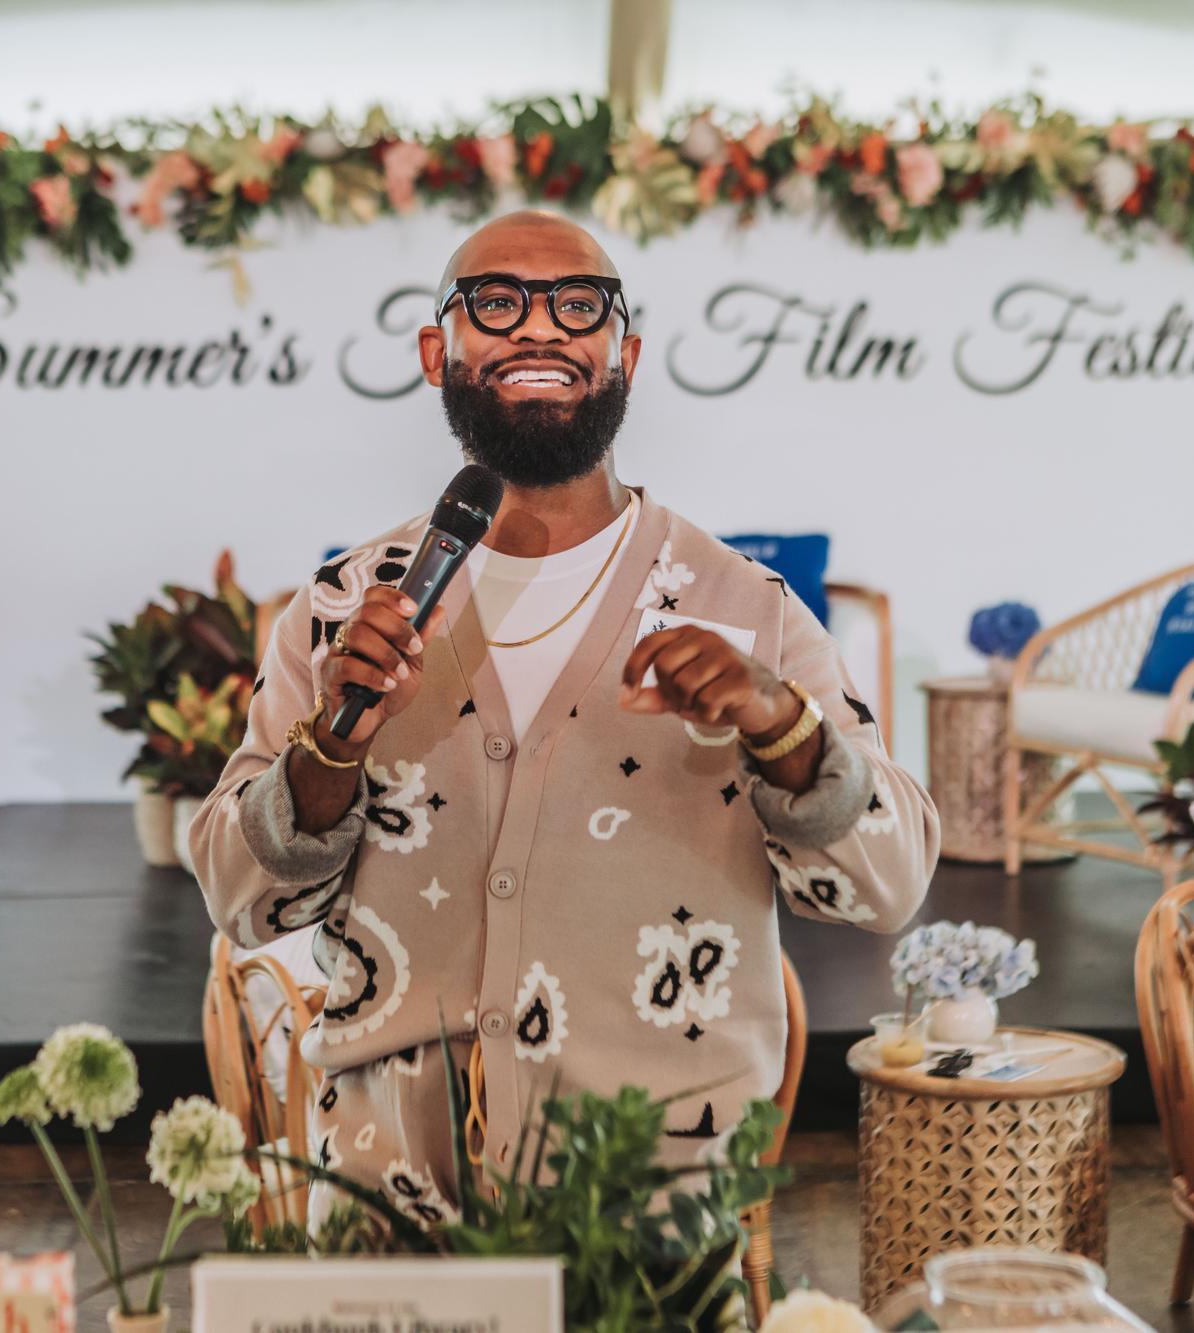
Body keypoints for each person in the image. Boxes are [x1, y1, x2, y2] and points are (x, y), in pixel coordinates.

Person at [190, 209, 938, 1226]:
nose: (537, 329)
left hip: (645, 1191)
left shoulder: (742, 607)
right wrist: (334, 741)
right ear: (435, 351)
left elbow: (887, 883)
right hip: (389, 1185)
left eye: (575, 304)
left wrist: (782, 725)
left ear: (621, 352)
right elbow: (239, 896)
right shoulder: (342, 607)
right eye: (496, 302)